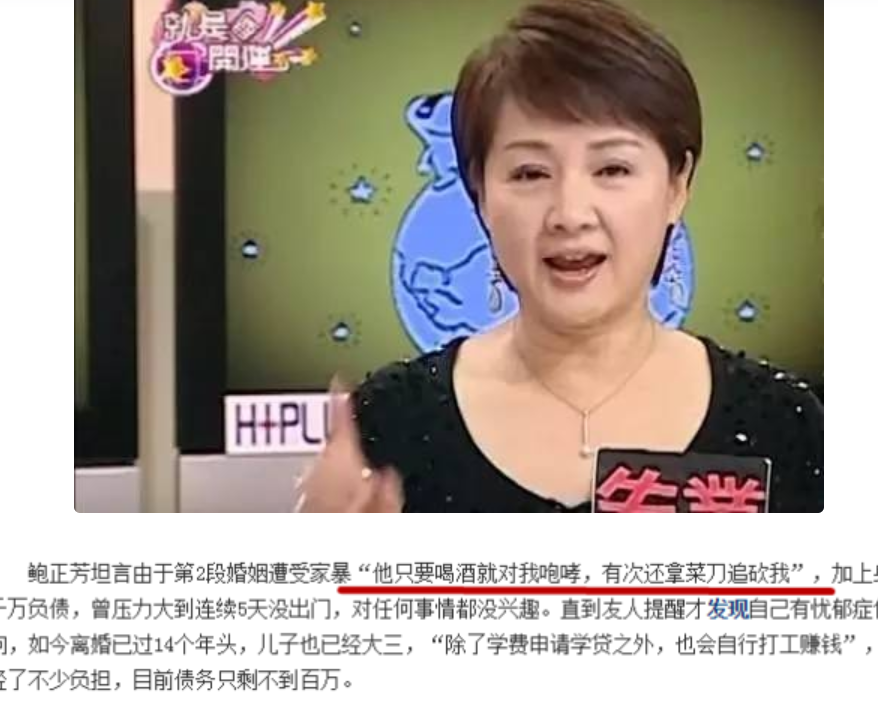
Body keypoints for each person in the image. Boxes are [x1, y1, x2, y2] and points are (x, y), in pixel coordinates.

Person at [295, 0, 823, 513]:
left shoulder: (784, 425)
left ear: (677, 185)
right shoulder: (390, 425)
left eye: (612, 169)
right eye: (530, 173)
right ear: (480, 192)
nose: (570, 214)